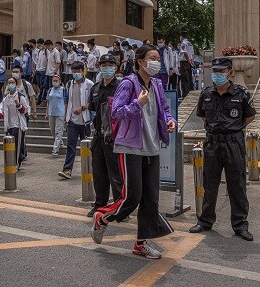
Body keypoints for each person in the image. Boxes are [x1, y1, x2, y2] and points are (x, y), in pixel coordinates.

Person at [91, 44, 176, 259]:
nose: (157, 62)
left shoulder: (157, 84)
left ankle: (141, 243)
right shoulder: (128, 84)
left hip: (151, 146)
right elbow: (117, 112)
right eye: (152, 58)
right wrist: (138, 104)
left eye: (158, 58)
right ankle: (102, 218)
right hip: (130, 146)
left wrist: (169, 121)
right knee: (131, 197)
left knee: (151, 198)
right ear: (140, 61)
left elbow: (164, 110)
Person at [189, 57, 256, 242]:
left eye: (221, 71)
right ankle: (205, 221)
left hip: (233, 143)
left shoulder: (241, 93)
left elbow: (249, 117)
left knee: (237, 184)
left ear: (230, 72)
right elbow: (203, 116)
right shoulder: (206, 93)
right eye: (215, 70)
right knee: (209, 183)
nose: (217, 74)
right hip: (212, 142)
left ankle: (240, 224)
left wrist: (231, 128)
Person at [86, 54, 122, 218]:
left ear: (115, 67)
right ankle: (100, 204)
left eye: (110, 65)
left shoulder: (121, 87)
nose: (107, 68)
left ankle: (119, 207)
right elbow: (92, 107)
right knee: (98, 172)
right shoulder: (95, 88)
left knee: (116, 173)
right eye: (104, 65)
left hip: (114, 137)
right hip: (99, 136)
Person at [58, 62, 93, 179]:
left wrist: (82, 108)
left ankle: (90, 168)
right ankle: (67, 169)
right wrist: (66, 117)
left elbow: (93, 101)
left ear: (83, 71)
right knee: (70, 145)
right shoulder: (69, 84)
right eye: (74, 71)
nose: (76, 73)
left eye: (78, 71)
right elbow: (67, 100)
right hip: (72, 120)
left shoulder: (89, 84)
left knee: (87, 146)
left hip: (85, 121)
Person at [0, 77, 29, 170]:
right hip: (9, 125)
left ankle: (16, 163)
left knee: (17, 145)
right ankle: (10, 162)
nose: (10, 85)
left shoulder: (20, 96)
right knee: (9, 145)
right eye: (9, 83)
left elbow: (25, 110)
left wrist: (19, 105)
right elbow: (1, 109)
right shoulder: (6, 98)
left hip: (18, 125)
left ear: (15, 84)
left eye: (12, 83)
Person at [46, 74, 68, 156]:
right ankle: (60, 142)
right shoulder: (50, 90)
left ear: (60, 81)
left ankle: (55, 149)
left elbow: (66, 103)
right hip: (51, 112)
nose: (54, 82)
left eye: (56, 81)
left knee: (58, 131)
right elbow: (48, 102)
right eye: (53, 81)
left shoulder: (63, 90)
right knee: (52, 130)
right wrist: (46, 113)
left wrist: (66, 114)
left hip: (60, 113)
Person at [41, 40, 61, 105]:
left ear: (50, 45)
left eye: (47, 46)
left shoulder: (56, 52)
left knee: (52, 88)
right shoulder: (49, 52)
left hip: (53, 73)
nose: (46, 47)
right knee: (46, 87)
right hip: (48, 73)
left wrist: (55, 72)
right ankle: (47, 100)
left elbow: (58, 62)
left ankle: (52, 102)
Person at [179, 32, 195, 98]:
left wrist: (188, 61)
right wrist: (192, 62)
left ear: (182, 36)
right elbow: (193, 54)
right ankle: (191, 92)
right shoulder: (190, 43)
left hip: (184, 62)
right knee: (189, 78)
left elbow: (184, 53)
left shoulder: (183, 43)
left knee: (185, 79)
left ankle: (186, 94)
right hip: (189, 62)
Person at [33, 38, 48, 105]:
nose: (39, 46)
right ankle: (41, 98)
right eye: (38, 45)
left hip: (43, 70)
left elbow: (48, 60)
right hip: (38, 69)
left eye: (40, 44)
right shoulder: (39, 51)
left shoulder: (46, 51)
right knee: (38, 84)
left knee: (42, 85)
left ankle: (41, 99)